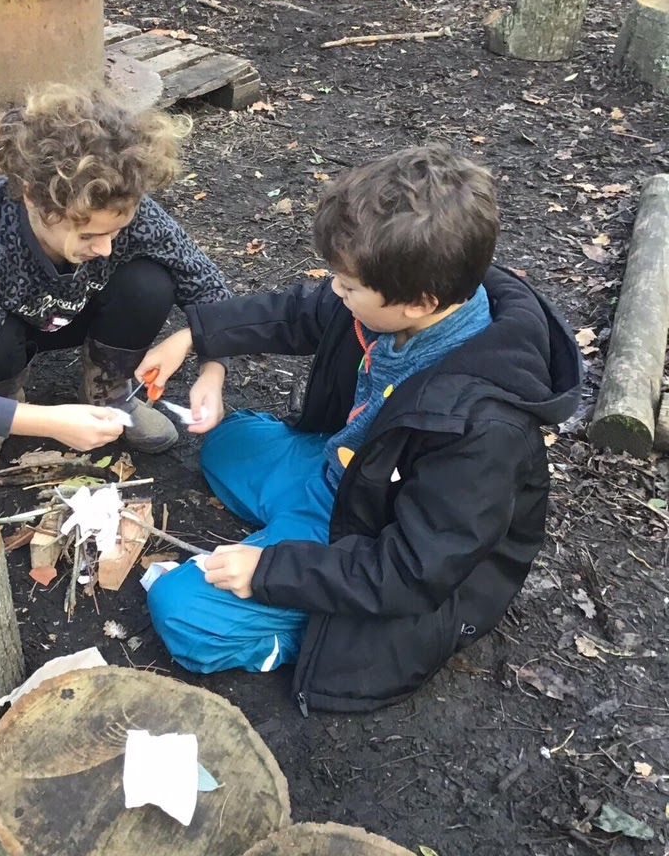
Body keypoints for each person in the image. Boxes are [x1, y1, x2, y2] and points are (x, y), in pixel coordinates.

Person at [137, 145, 582, 714]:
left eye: (347, 286)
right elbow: (299, 311)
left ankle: (315, 635)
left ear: (418, 303)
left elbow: (411, 570)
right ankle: (290, 526)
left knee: (181, 612)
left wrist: (273, 571)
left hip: (380, 538)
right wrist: (194, 338)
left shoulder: (480, 428)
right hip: (349, 474)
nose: (335, 293)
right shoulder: (400, 291)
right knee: (225, 441)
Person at [0, 85, 230, 476]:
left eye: (116, 231)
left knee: (150, 282)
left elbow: (210, 289)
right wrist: (50, 421)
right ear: (31, 198)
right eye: (88, 236)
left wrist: (213, 370)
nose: (106, 248)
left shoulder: (121, 207)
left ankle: (108, 392)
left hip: (81, 309)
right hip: (11, 330)